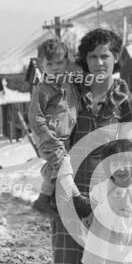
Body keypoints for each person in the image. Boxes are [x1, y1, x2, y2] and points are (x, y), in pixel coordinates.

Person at [50, 28, 132, 264]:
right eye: (92, 56)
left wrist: (129, 182)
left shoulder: (126, 101)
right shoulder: (71, 96)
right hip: (73, 184)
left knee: (106, 254)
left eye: (105, 55)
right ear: (85, 60)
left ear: (116, 58)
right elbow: (56, 139)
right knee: (76, 254)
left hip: (108, 188)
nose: (99, 62)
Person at [28, 37, 84, 216]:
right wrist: (45, 135)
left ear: (66, 62)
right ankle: (77, 199)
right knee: (64, 167)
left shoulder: (68, 86)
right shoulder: (42, 90)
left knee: (55, 167)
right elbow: (34, 116)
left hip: (64, 138)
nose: (55, 67)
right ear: (41, 64)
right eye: (50, 63)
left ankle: (45, 199)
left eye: (59, 62)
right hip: (49, 138)